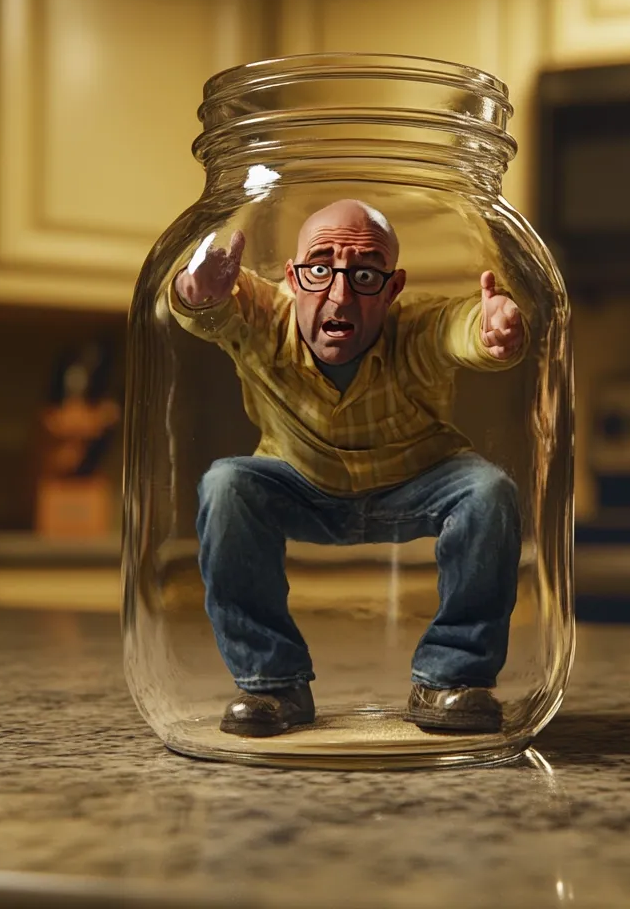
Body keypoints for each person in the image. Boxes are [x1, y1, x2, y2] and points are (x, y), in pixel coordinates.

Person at [167, 199, 528, 737]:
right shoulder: (266, 315)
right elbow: (206, 305)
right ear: (292, 276)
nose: (340, 296)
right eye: (319, 270)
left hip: (416, 483)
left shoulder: (413, 328)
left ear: (393, 287)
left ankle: (452, 679)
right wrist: (191, 292)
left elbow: (460, 326)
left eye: (364, 275)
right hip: (298, 483)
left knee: (487, 491)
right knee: (227, 484)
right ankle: (272, 682)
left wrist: (494, 328)